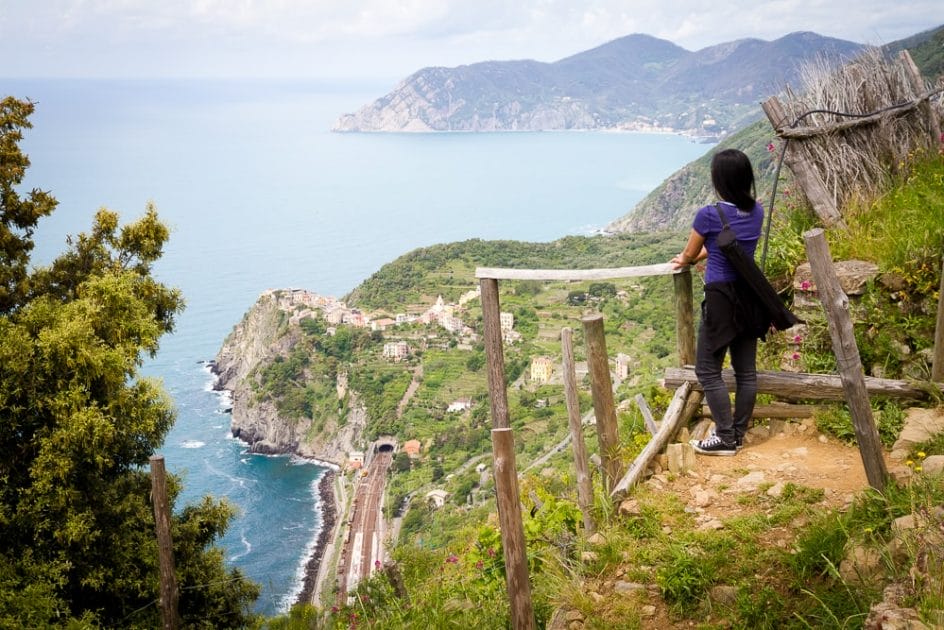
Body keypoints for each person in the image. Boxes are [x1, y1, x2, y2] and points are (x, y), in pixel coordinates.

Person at [670, 148, 767, 456]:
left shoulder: (709, 215)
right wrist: (703, 254)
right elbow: (729, 247)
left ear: (719, 181)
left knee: (707, 370)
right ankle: (737, 434)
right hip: (750, 295)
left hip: (722, 299)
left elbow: (688, 253)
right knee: (746, 372)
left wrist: (686, 259)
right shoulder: (757, 212)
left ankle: (725, 438)